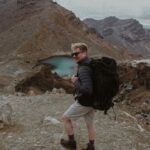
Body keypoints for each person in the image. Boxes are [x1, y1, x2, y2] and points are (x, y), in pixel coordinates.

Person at [61, 43, 95, 150]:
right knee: (90, 124)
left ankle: (71, 144)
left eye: (77, 53)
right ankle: (91, 147)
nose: (74, 56)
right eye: (73, 54)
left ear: (84, 52)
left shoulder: (84, 68)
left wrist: (75, 82)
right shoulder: (90, 63)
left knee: (65, 118)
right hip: (94, 101)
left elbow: (87, 90)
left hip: (85, 101)